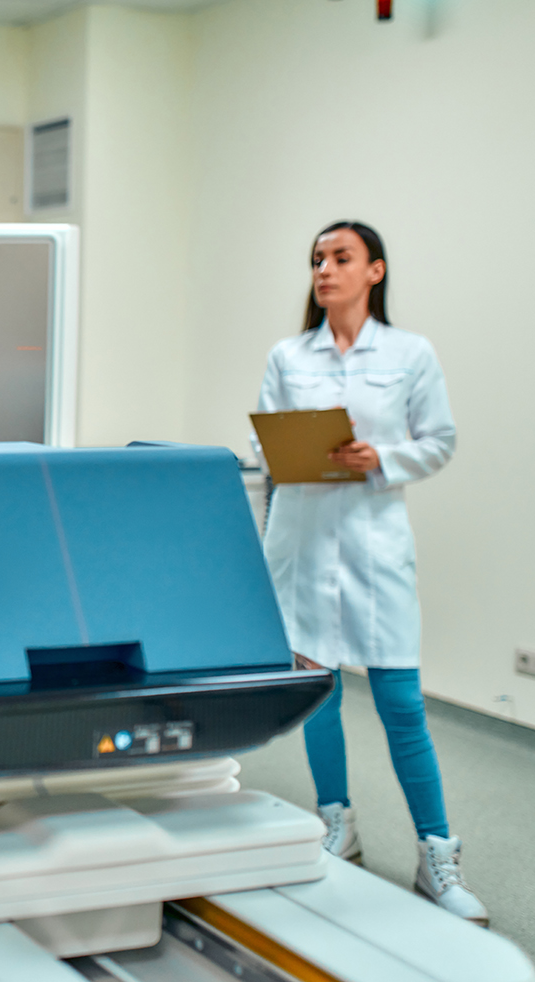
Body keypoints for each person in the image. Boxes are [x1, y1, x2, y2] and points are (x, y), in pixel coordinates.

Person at [258, 220, 486, 925]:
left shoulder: (411, 353)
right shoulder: (288, 356)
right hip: (303, 539)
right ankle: (339, 825)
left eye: (340, 257)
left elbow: (440, 440)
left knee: (401, 705)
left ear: (374, 271)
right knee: (319, 694)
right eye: (317, 259)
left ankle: (436, 855)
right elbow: (265, 441)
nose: (324, 269)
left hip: (374, 546)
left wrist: (380, 458)